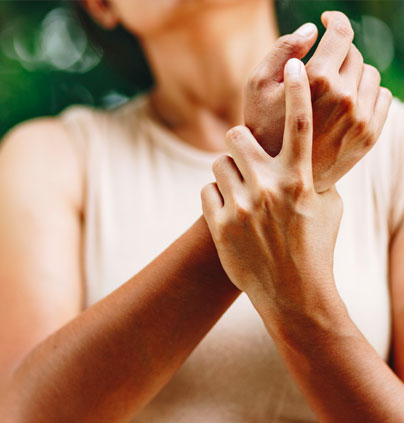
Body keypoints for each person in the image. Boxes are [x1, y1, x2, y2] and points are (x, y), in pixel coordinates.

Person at [0, 0, 400, 421]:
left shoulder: (395, 149)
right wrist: (264, 181)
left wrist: (295, 296)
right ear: (100, 5)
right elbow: (21, 411)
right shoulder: (52, 158)